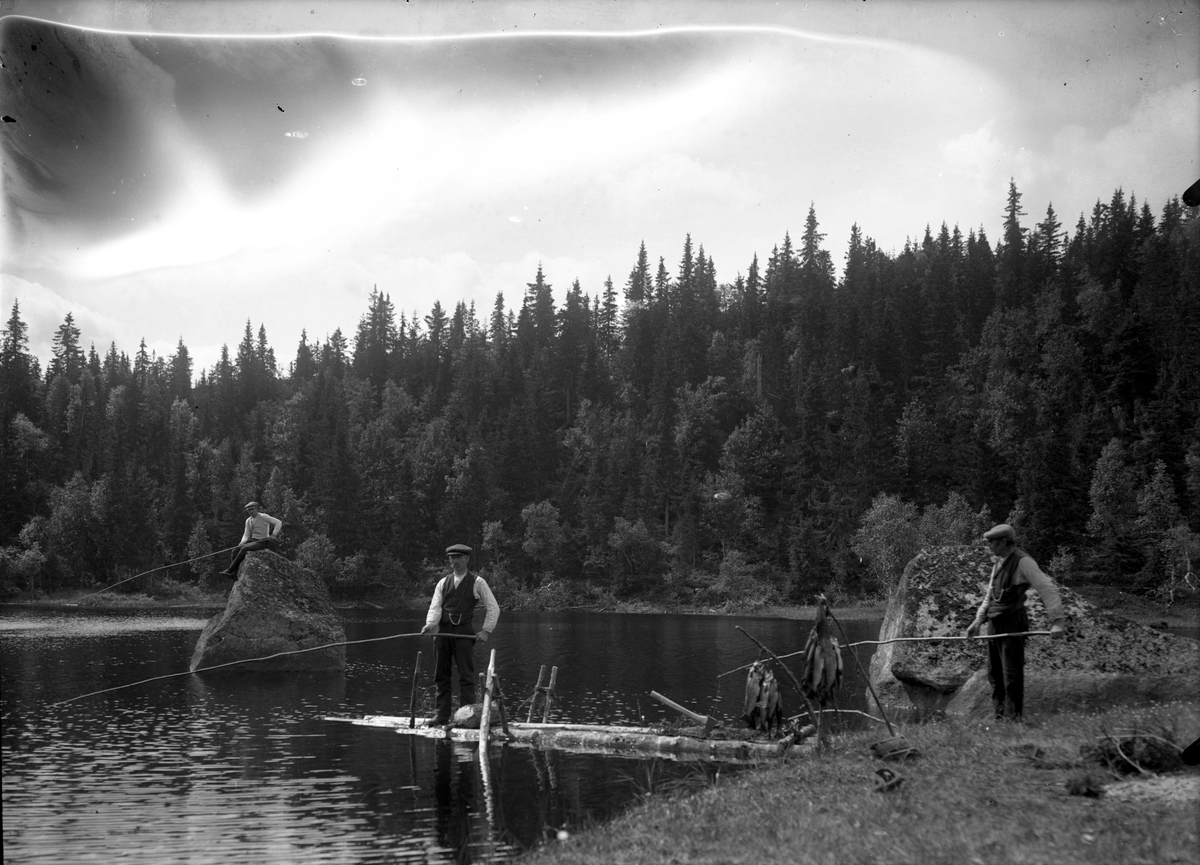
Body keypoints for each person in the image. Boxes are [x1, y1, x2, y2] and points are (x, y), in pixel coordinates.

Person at [965, 523, 1066, 721]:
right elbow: (989, 596)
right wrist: (978, 621)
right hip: (994, 624)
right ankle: (1000, 718)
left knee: (1011, 675)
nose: (989, 546)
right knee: (994, 674)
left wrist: (1057, 621)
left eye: (992, 542)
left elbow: (1048, 589)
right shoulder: (998, 562)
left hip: (1013, 623)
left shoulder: (1023, 562)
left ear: (1003, 542)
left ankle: (1013, 720)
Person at [420, 544, 501, 725]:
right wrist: (430, 625)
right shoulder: (443, 582)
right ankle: (441, 715)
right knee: (441, 674)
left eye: (458, 557)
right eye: (452, 558)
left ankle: (467, 716)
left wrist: (486, 631)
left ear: (466, 559)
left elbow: (493, 607)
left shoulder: (477, 582)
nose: (455, 561)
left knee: (465, 675)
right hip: (442, 633)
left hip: (464, 633)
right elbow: (435, 607)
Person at [220, 501, 283, 580]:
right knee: (235, 551)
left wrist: (274, 535)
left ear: (257, 509)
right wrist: (242, 543)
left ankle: (229, 570)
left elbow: (278, 522)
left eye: (252, 509)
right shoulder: (248, 520)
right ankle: (234, 574)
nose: (251, 511)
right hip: (252, 540)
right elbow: (246, 534)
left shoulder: (263, 517)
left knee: (244, 549)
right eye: (249, 510)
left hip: (262, 541)